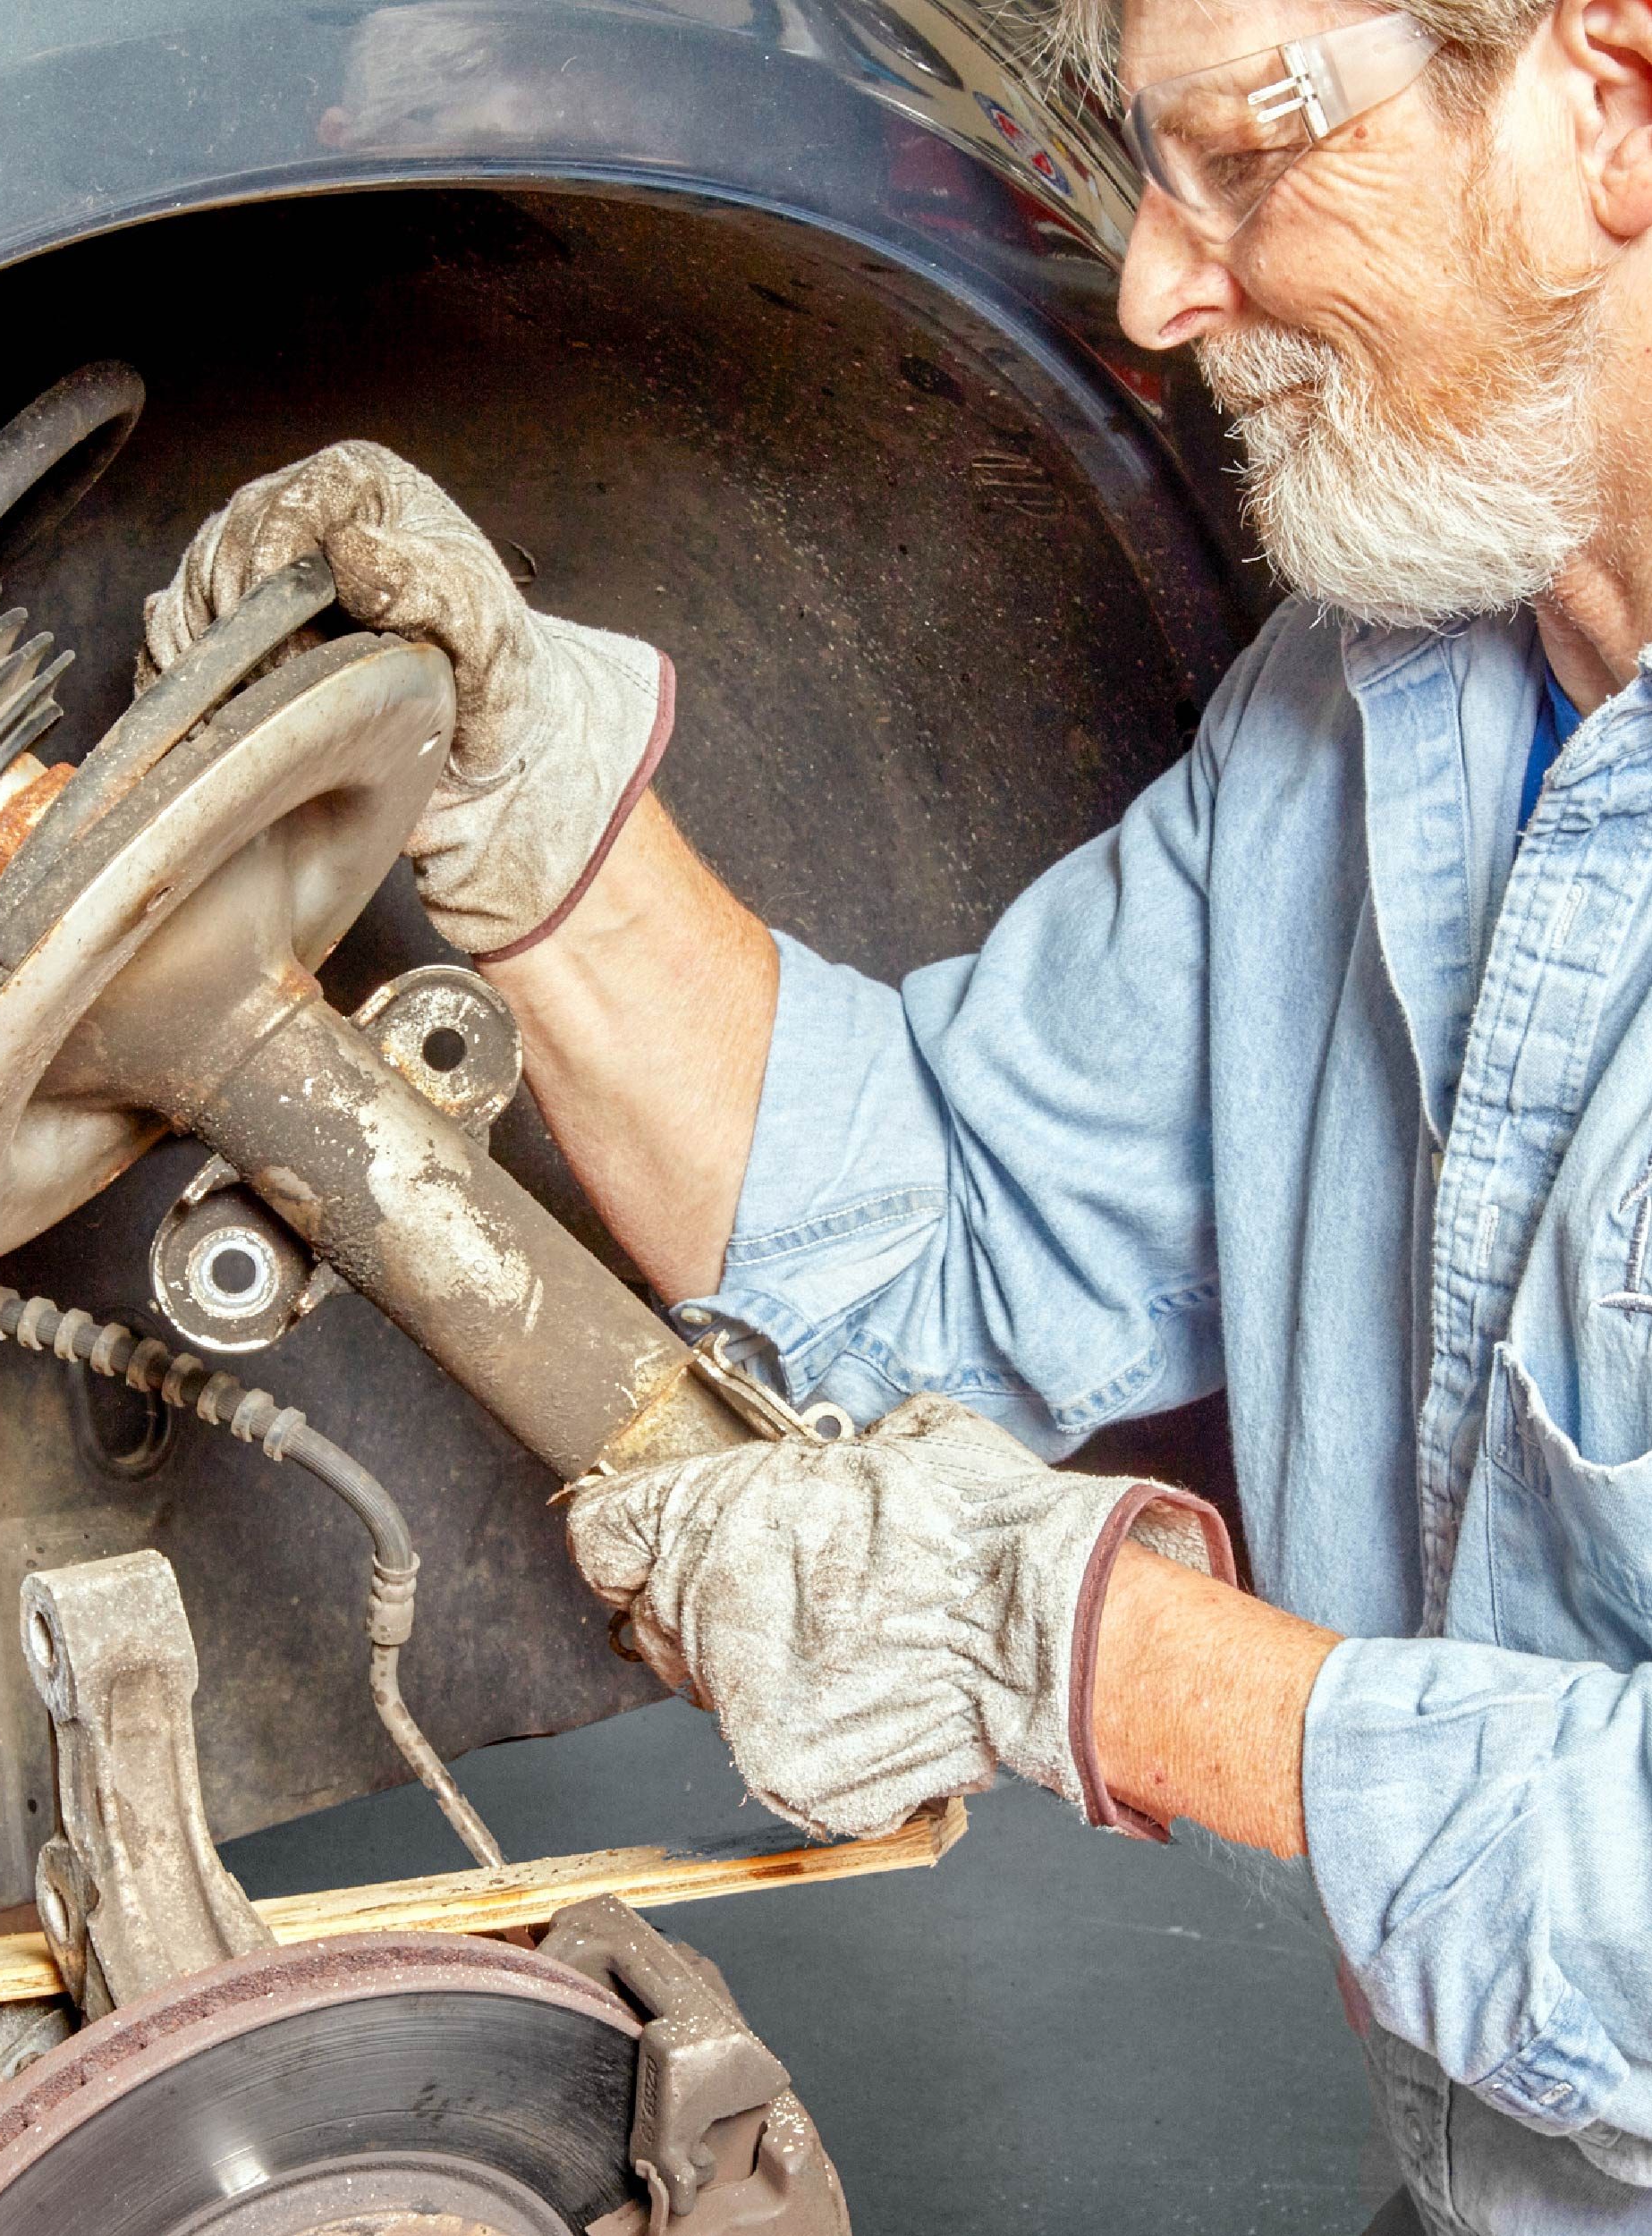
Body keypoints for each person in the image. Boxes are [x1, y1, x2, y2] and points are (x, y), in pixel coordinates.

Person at [140, 0, 1652, 2221]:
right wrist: (527, 806)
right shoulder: (1382, 690)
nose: (1154, 285)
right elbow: (945, 1234)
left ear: (1604, 100)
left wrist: (1073, 1644)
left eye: (1238, 154)